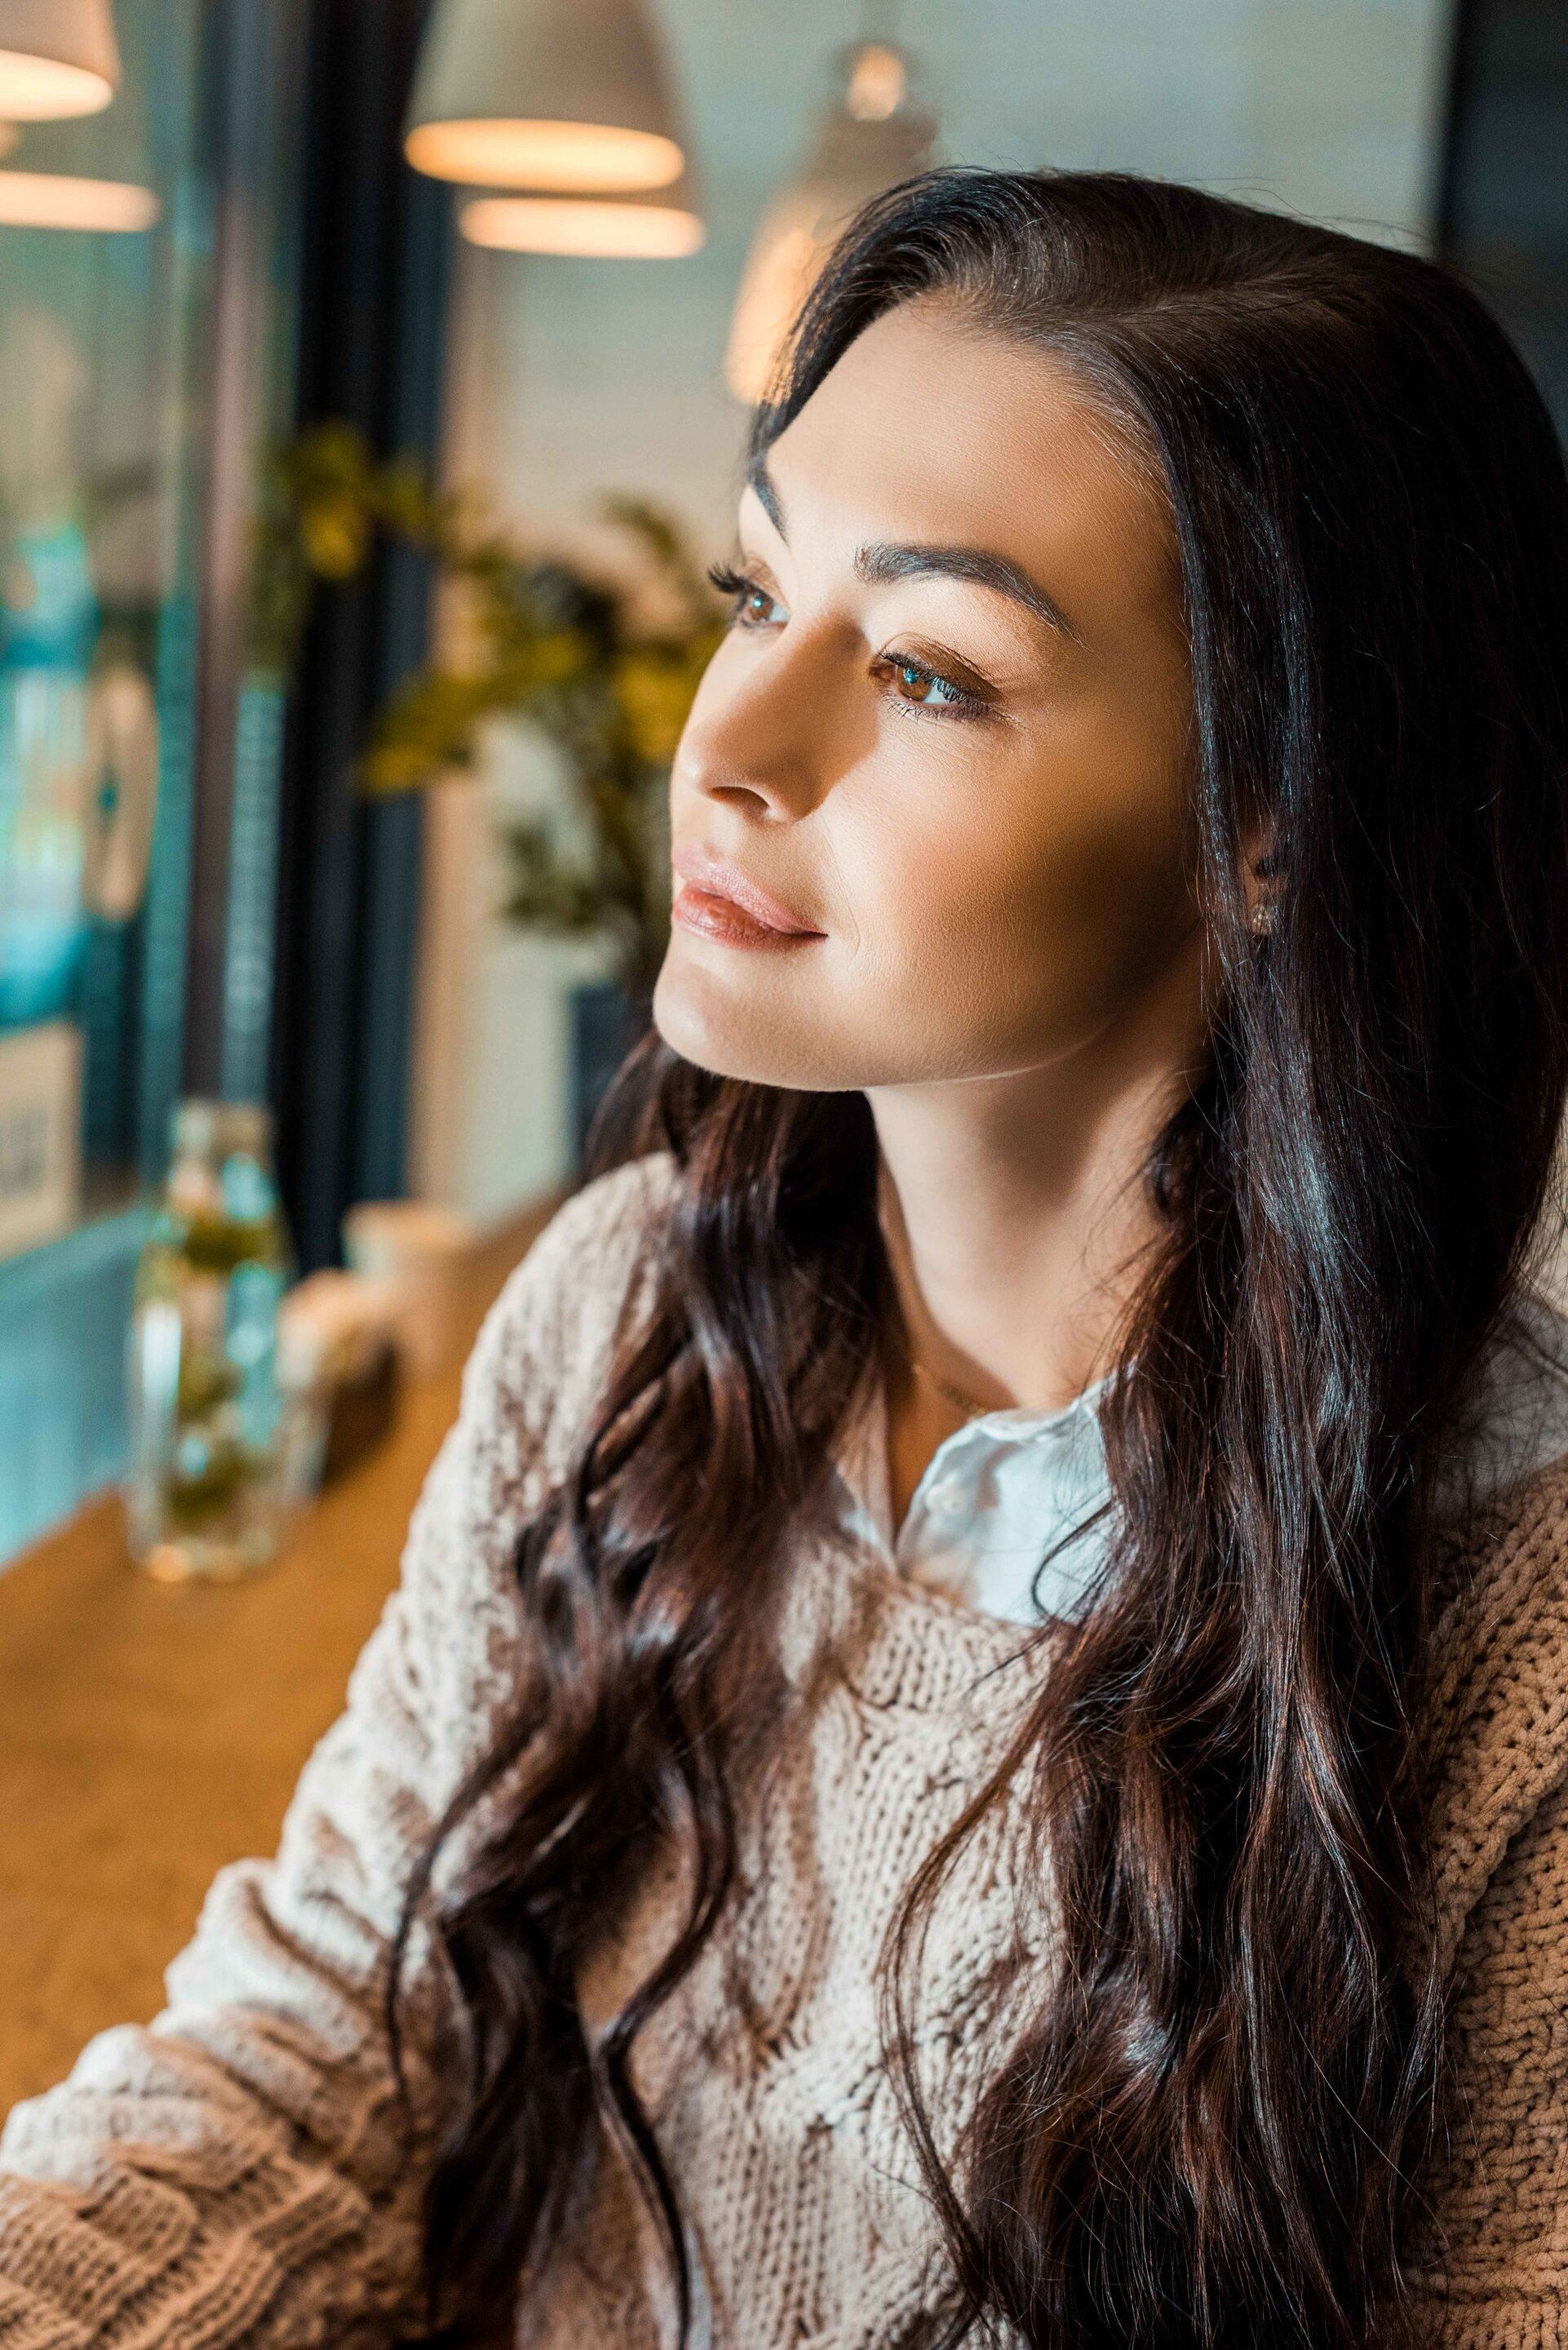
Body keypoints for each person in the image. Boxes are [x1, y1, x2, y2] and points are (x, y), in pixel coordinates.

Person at [4, 166, 1568, 2350]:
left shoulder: (1516, 1633)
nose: (726, 747)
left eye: (927, 670)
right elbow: (339, 2043)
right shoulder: (628, 1311)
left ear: (1269, 822)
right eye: (757, 593)